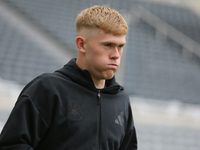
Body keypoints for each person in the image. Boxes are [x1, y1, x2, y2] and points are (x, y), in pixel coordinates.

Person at [0, 5, 137, 150]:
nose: (116, 54)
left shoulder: (121, 100)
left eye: (120, 46)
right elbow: (11, 146)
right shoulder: (47, 89)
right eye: (108, 45)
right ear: (82, 44)